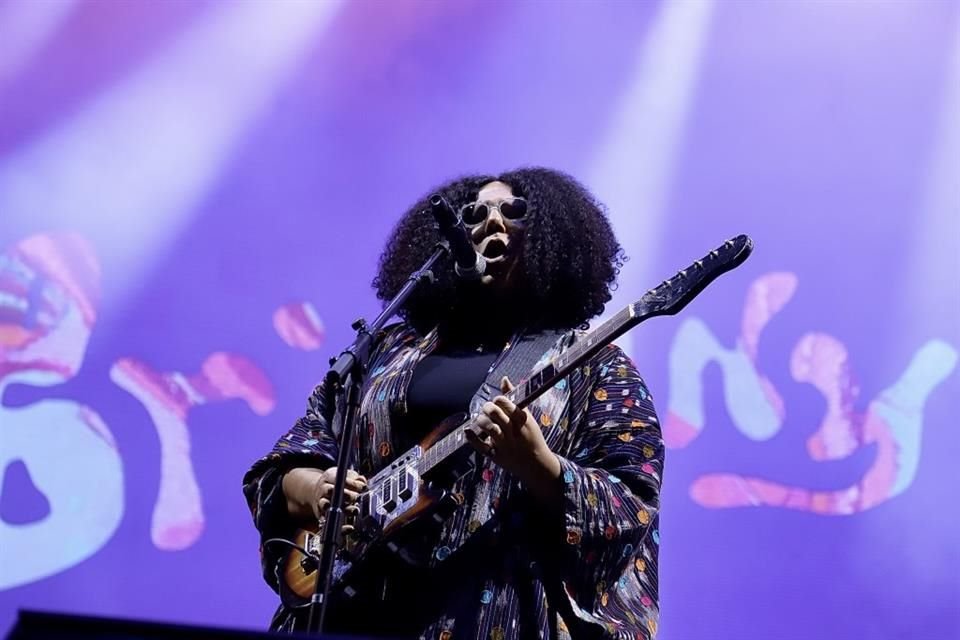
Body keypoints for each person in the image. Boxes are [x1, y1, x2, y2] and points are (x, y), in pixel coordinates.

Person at [243, 167, 664, 639]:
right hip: (357, 611)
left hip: (495, 615)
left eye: (514, 211)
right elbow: (281, 468)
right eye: (475, 213)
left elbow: (631, 506)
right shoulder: (386, 351)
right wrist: (319, 486)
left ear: (552, 238)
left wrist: (538, 463)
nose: (492, 221)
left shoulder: (592, 364)